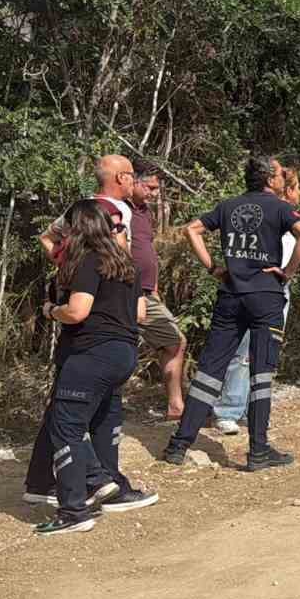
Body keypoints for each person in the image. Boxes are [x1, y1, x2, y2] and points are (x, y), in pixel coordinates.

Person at [159, 156, 300, 471]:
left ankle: (178, 446)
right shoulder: (280, 208)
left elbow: (192, 230)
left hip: (230, 294)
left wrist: (213, 268)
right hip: (266, 296)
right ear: (269, 179)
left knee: (210, 370)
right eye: (280, 175)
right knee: (261, 373)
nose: (284, 179)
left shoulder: (228, 206)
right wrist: (287, 272)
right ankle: (258, 451)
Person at [26, 201, 160, 535]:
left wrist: (50, 310)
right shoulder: (126, 265)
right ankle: (101, 482)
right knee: (102, 421)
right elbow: (141, 314)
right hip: (124, 354)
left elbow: (77, 311)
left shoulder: (88, 261)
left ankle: (74, 509)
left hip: (91, 353)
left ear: (77, 230)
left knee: (65, 426)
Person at [211, 166, 300, 435]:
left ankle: (255, 412)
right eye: (297, 187)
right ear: (285, 188)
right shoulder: (270, 212)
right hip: (257, 288)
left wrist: (286, 275)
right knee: (243, 352)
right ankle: (228, 410)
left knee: (265, 354)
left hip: (278, 289)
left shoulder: (288, 216)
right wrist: (287, 272)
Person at [128, 159, 187, 419]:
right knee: (112, 350)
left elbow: (146, 250)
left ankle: (176, 406)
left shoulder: (144, 212)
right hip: (123, 292)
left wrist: (154, 288)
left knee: (174, 341)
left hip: (147, 293)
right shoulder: (117, 209)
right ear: (132, 181)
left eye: (156, 189)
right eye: (150, 188)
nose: (153, 194)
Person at [40, 155, 134, 257]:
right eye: (132, 175)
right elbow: (46, 239)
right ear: (121, 177)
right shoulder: (84, 209)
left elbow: (46, 238)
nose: (134, 180)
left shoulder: (81, 208)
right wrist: (65, 264)